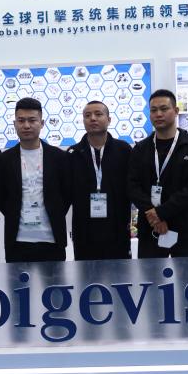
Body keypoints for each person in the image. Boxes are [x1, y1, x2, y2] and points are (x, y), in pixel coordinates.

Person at [128, 89, 188, 258]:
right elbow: (132, 186)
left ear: (176, 111)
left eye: (164, 109)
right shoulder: (140, 149)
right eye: (154, 110)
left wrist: (161, 212)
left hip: (186, 228)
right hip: (151, 228)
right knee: (151, 275)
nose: (158, 114)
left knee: (186, 275)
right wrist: (154, 215)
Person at [0, 97, 72, 263]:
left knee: (55, 281)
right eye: (21, 120)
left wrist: (54, 211)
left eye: (32, 120)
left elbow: (66, 195)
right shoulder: (4, 159)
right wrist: (14, 212)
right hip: (17, 241)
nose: (26, 125)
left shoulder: (59, 157)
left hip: (52, 239)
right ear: (15, 124)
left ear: (42, 123)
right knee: (18, 281)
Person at [68, 100, 132, 260]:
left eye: (98, 114)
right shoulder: (73, 153)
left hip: (117, 229)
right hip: (85, 231)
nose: (93, 118)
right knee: (86, 273)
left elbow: (133, 186)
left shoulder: (123, 150)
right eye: (87, 115)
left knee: (120, 273)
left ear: (109, 120)